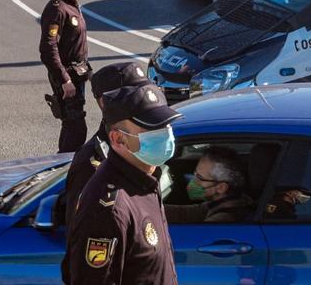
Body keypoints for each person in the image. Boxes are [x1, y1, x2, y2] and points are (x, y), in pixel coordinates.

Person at [63, 84, 182, 285]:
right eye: (153, 129)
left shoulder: (145, 179)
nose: (165, 134)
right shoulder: (108, 208)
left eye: (166, 125)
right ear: (118, 139)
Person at [63, 61, 153, 227]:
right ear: (104, 102)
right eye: (134, 95)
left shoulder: (145, 144)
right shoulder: (92, 164)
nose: (146, 98)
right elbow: (82, 230)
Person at [39, 0, 93, 153]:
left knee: (73, 125)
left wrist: (89, 72)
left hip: (76, 74)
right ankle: (65, 171)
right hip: (67, 78)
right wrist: (65, 80)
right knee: (75, 129)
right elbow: (47, 49)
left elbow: (74, 46)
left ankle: (65, 167)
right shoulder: (58, 10)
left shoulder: (70, 6)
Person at [164, 149, 254, 224]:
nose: (193, 181)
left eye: (200, 178)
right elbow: (183, 214)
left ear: (221, 188)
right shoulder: (225, 202)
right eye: (195, 174)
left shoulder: (221, 220)